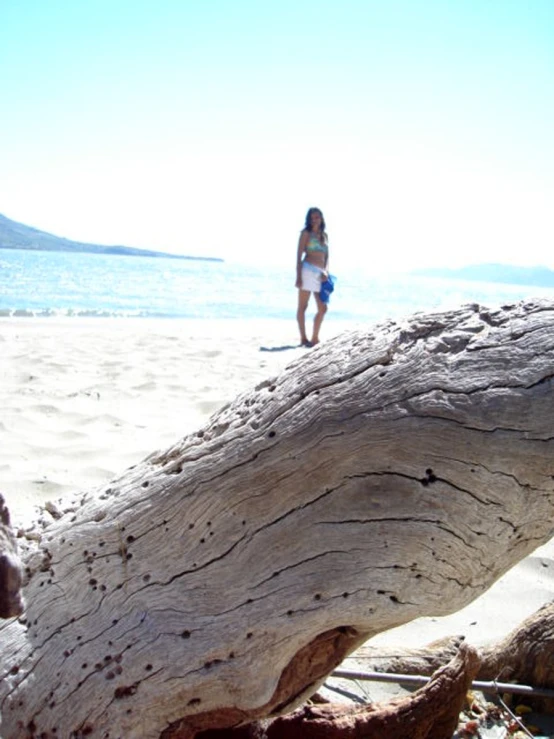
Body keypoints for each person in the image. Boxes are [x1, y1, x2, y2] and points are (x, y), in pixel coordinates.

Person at [295, 207, 329, 347]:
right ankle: (303, 338)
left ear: (321, 218)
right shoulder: (306, 233)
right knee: (303, 306)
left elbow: (327, 257)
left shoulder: (324, 235)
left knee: (323, 308)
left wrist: (326, 271)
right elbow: (298, 256)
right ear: (309, 219)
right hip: (307, 271)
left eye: (317, 217)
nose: (315, 220)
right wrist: (298, 276)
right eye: (312, 218)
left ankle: (315, 338)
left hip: (321, 274)